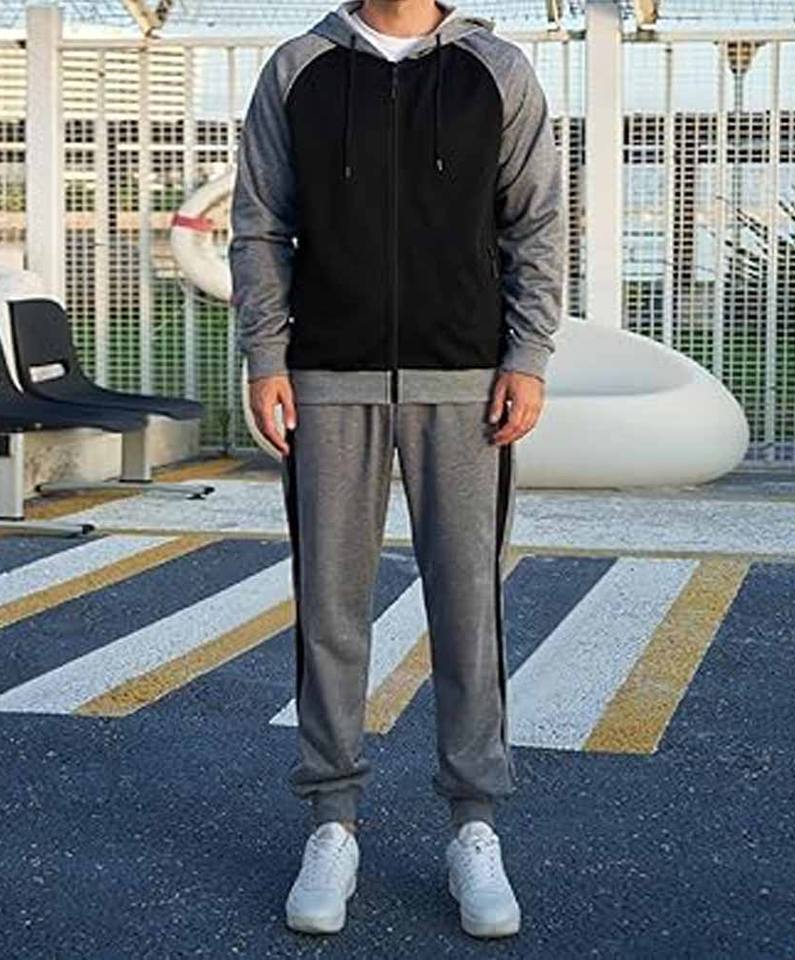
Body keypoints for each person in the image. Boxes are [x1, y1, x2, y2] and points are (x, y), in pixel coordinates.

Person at [229, 0, 563, 940]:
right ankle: (332, 823)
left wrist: (528, 356)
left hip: (464, 379)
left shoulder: (497, 70)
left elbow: (536, 224)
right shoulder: (297, 68)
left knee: (468, 606)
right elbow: (261, 226)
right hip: (327, 378)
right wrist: (266, 357)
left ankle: (474, 827)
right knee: (330, 608)